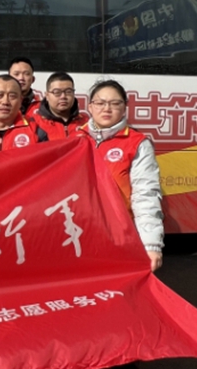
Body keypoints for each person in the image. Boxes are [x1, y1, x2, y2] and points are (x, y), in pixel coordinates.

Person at [77, 79, 164, 272]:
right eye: (100, 103)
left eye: (115, 103)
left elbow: (145, 195)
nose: (106, 109)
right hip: (80, 235)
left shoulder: (137, 144)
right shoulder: (76, 139)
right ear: (90, 107)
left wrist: (151, 244)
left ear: (124, 108)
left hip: (119, 236)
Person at [31, 72, 89, 140]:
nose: (63, 96)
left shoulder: (86, 122)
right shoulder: (34, 124)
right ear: (47, 96)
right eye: (57, 92)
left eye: (68, 92)